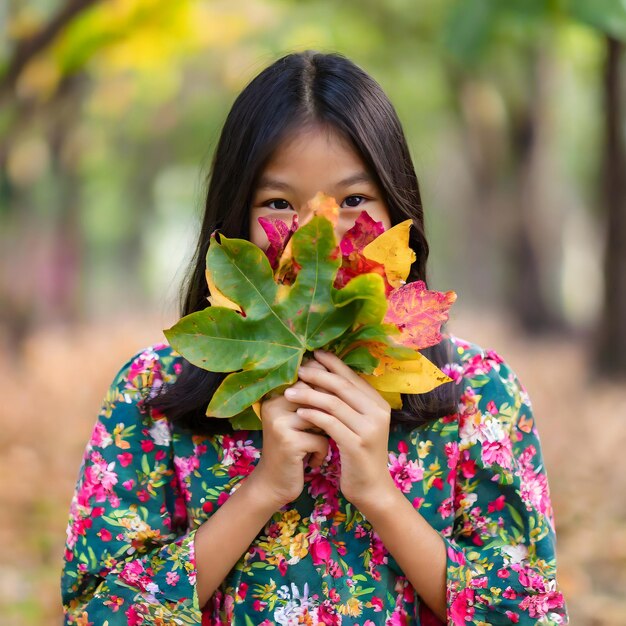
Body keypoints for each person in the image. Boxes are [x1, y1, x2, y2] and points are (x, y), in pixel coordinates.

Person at [60, 51, 568, 625]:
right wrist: (260, 491)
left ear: (399, 209)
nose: (318, 235)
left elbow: (531, 614)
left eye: (353, 201)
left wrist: (381, 494)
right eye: (278, 204)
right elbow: (95, 612)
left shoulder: (478, 393)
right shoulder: (152, 392)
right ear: (233, 218)